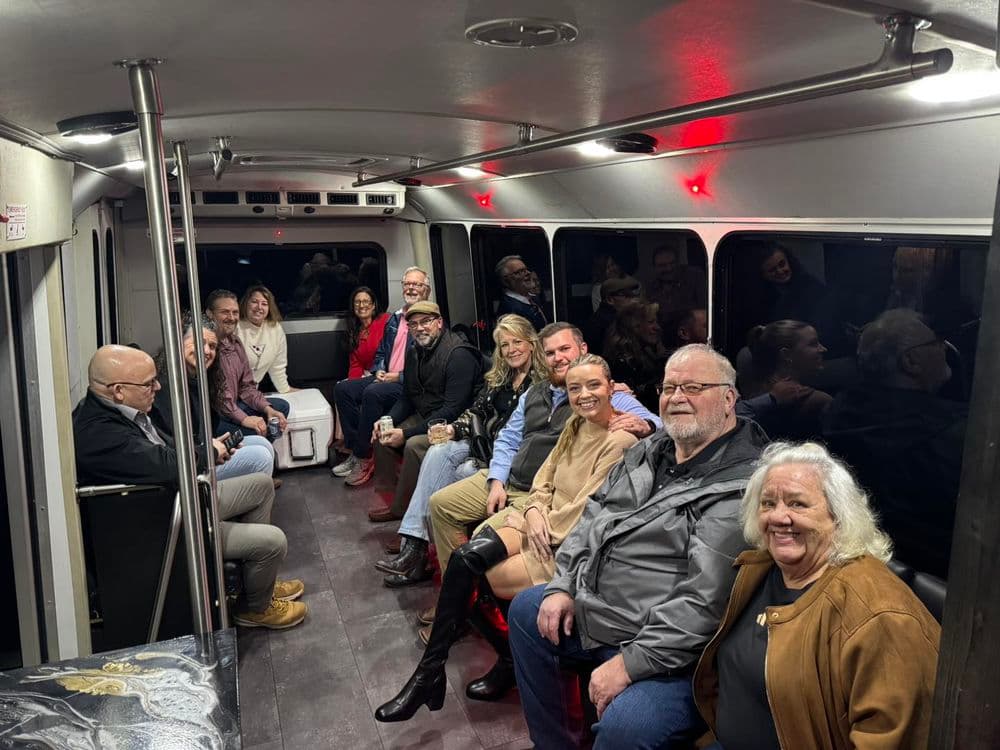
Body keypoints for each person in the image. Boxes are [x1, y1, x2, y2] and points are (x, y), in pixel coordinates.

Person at [508, 344, 768, 750]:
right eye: (669, 387)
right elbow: (594, 516)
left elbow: (704, 603)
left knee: (628, 727)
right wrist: (562, 585)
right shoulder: (649, 450)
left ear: (729, 399)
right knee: (527, 609)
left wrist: (629, 665)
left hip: (676, 656)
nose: (677, 398)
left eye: (695, 387)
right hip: (606, 612)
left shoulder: (740, 487)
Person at [375, 355, 638, 721]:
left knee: (475, 577)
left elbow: (586, 509)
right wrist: (532, 510)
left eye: (594, 385)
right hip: (537, 518)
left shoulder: (621, 438)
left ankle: (493, 663)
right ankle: (431, 672)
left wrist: (538, 518)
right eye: (575, 388)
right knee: (466, 559)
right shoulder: (575, 425)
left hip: (565, 539)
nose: (584, 394)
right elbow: (545, 476)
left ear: (613, 388)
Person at [692, 441, 941, 750]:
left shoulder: (880, 613)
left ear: (837, 516)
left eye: (797, 504)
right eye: (768, 503)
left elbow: (888, 739)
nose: (778, 517)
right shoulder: (758, 570)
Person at [72, 345, 307, 630]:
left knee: (261, 486)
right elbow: (167, 464)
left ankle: (257, 585)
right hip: (167, 522)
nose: (157, 387)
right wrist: (207, 452)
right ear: (118, 390)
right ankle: (256, 608)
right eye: (148, 384)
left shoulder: (129, 412)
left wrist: (208, 448)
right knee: (274, 541)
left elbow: (169, 449)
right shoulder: (101, 435)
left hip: (185, 499)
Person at [375, 314, 548, 587]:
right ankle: (415, 544)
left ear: (531, 343)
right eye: (504, 345)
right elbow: (476, 412)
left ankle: (433, 560)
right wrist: (453, 430)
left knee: (462, 471)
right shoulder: (500, 378)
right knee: (437, 450)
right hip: (482, 444)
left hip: (507, 460)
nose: (511, 349)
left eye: (517, 342)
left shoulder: (543, 383)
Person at [823, 308, 964, 577]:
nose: (945, 348)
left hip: (876, 563)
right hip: (945, 572)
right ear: (911, 362)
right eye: (935, 342)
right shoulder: (956, 434)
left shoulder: (837, 414)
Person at [366, 301, 485, 509]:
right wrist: (388, 420)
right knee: (382, 434)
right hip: (425, 414)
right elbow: (407, 397)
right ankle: (394, 500)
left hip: (452, 424)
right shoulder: (414, 351)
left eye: (426, 322)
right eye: (413, 324)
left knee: (413, 445)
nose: (419, 328)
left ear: (439, 322)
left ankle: (406, 512)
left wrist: (406, 434)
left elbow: (452, 410)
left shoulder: (459, 354)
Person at [332, 267, 431, 485]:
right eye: (407, 284)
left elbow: (428, 368)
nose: (411, 288)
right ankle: (356, 448)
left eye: (417, 284)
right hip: (385, 376)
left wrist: (398, 377)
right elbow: (381, 353)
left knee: (372, 392)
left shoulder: (430, 321)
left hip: (408, 383)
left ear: (427, 290)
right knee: (343, 389)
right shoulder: (395, 319)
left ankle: (365, 457)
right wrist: (378, 369)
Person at [158, 317, 276, 482]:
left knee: (263, 444)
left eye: (212, 346)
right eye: (199, 342)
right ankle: (220, 502)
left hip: (203, 448)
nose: (206, 351)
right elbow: (173, 447)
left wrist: (216, 445)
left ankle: (251, 494)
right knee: (261, 456)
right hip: (188, 467)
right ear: (178, 343)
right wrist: (209, 452)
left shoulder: (203, 380)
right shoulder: (165, 387)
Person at [206, 289, 289, 442]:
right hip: (215, 416)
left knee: (280, 408)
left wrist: (268, 409)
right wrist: (245, 419)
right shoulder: (207, 348)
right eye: (225, 312)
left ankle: (260, 450)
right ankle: (255, 451)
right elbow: (221, 399)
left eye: (234, 312)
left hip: (236, 404)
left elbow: (247, 386)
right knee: (258, 434)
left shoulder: (236, 343)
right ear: (210, 314)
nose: (231, 317)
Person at [738, 320, 831, 441]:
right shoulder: (818, 401)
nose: (823, 349)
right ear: (786, 355)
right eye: (813, 344)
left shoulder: (752, 389)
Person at [603, 300, 668, 411]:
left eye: (656, 322)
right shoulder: (620, 362)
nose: (657, 328)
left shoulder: (648, 353)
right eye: (651, 322)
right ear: (634, 326)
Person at [235, 285, 293, 394]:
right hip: (231, 393)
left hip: (252, 394)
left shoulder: (275, 328)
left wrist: (286, 390)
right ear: (245, 304)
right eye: (254, 302)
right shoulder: (235, 326)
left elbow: (278, 366)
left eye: (264, 304)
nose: (259, 307)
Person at [583, 276, 642, 357]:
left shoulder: (619, 318)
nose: (633, 300)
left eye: (634, 295)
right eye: (626, 295)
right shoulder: (609, 323)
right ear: (610, 299)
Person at [645, 245, 707, 321]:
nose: (669, 268)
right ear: (654, 268)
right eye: (662, 265)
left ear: (678, 262)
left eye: (672, 263)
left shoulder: (694, 277)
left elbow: (704, 308)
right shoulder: (651, 287)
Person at [346, 286, 389, 378]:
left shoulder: (386, 320)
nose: (361, 306)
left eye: (366, 301)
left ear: (373, 305)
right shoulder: (354, 331)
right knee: (342, 387)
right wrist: (353, 383)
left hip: (386, 373)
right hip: (368, 375)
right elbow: (356, 365)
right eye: (357, 302)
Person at [495, 255, 547, 331]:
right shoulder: (509, 310)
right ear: (506, 281)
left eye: (526, 270)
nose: (528, 273)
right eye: (520, 272)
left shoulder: (532, 298)